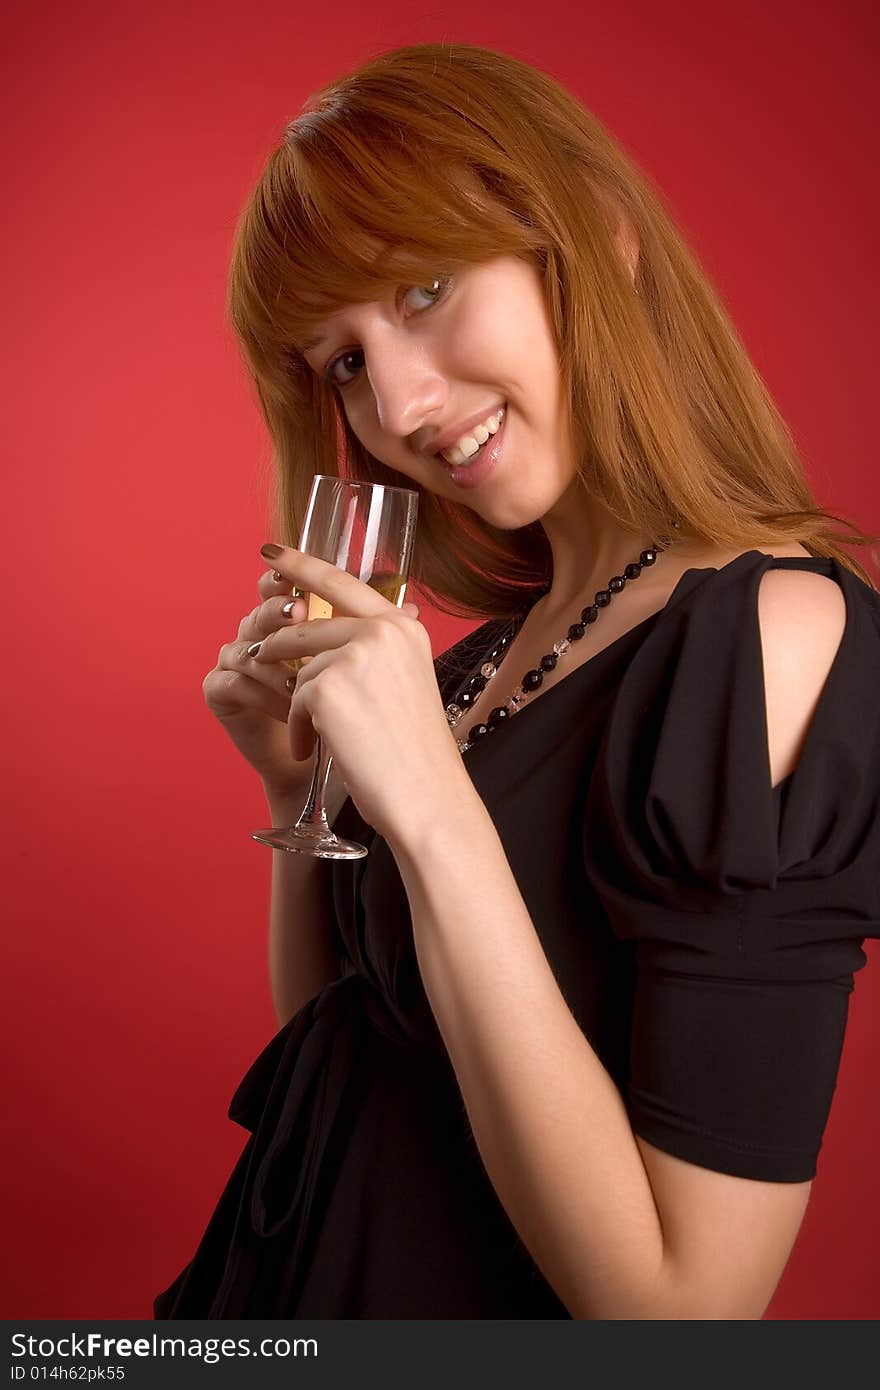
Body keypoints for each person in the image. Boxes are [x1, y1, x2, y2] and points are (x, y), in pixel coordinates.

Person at [153, 41, 880, 1319]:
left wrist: (434, 808)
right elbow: (351, 1048)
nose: (400, 402)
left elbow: (682, 1309)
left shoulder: (775, 637)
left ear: (594, 236)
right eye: (343, 362)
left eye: (424, 288)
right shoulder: (493, 653)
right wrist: (305, 789)